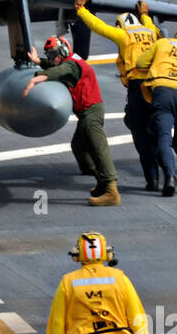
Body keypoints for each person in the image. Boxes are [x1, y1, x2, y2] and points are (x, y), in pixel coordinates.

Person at [73, 0, 161, 190]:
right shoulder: (151, 31)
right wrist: (145, 13)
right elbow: (148, 23)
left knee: (139, 131)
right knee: (157, 131)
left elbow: (99, 26)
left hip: (138, 87)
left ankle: (152, 179)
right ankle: (169, 173)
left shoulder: (124, 35)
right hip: (157, 86)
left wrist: (81, 9)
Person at [22, 35, 121, 206]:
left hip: (91, 112)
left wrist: (38, 77)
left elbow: (58, 71)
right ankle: (101, 181)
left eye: (54, 55)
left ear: (62, 51)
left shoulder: (71, 64)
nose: (52, 59)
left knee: (98, 148)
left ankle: (112, 192)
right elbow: (58, 66)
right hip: (87, 112)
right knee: (79, 146)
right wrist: (39, 61)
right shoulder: (72, 61)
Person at [135, 25, 177, 197]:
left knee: (163, 138)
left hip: (162, 92)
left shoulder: (163, 43)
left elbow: (141, 63)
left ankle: (170, 177)